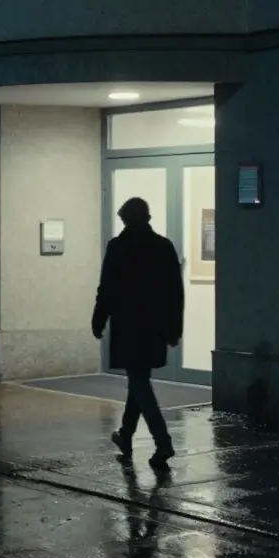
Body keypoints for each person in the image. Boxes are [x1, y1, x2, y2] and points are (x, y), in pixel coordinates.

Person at [92, 197, 185, 468]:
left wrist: (98, 320)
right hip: (155, 327)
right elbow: (175, 293)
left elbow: (106, 288)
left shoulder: (118, 247)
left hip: (128, 326)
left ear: (125, 218)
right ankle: (125, 435)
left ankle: (163, 442)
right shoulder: (164, 247)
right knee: (138, 377)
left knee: (139, 382)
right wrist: (174, 328)